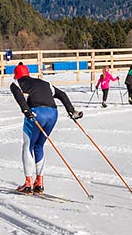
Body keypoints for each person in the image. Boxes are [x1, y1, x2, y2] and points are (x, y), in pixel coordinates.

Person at [9, 63, 80, 194]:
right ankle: (39, 182)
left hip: (37, 113)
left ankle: (28, 183)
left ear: (16, 74)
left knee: (28, 146)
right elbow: (62, 94)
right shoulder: (44, 83)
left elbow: (19, 97)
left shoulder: (16, 83)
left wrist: (26, 110)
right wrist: (71, 111)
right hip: (53, 114)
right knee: (39, 146)